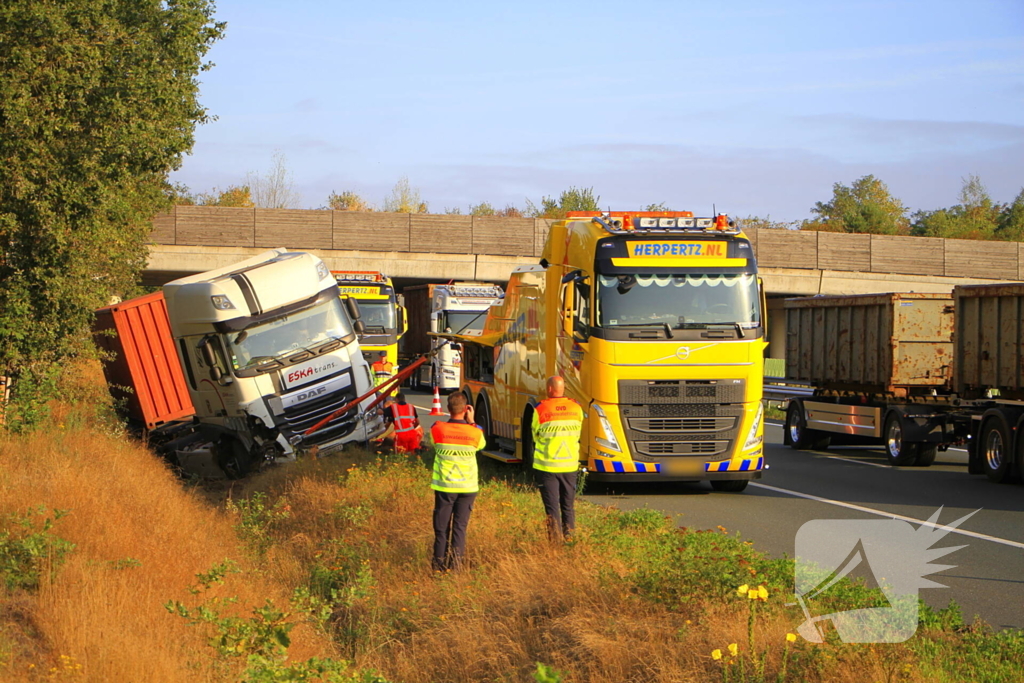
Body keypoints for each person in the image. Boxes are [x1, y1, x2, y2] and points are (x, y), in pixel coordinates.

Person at [430, 392, 485, 571]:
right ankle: (456, 568)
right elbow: (482, 445)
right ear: (465, 409)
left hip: (445, 487)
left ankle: (438, 568)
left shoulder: (437, 429)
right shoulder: (475, 432)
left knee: (441, 529)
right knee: (460, 529)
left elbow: (432, 442)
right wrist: (472, 421)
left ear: (448, 409)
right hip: (467, 488)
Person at [531, 376, 584, 541]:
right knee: (568, 506)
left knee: (552, 508)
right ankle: (570, 539)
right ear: (563, 389)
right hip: (569, 466)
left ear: (549, 389)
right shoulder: (576, 408)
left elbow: (535, 434)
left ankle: (555, 543)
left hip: (547, 467)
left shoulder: (540, 409)